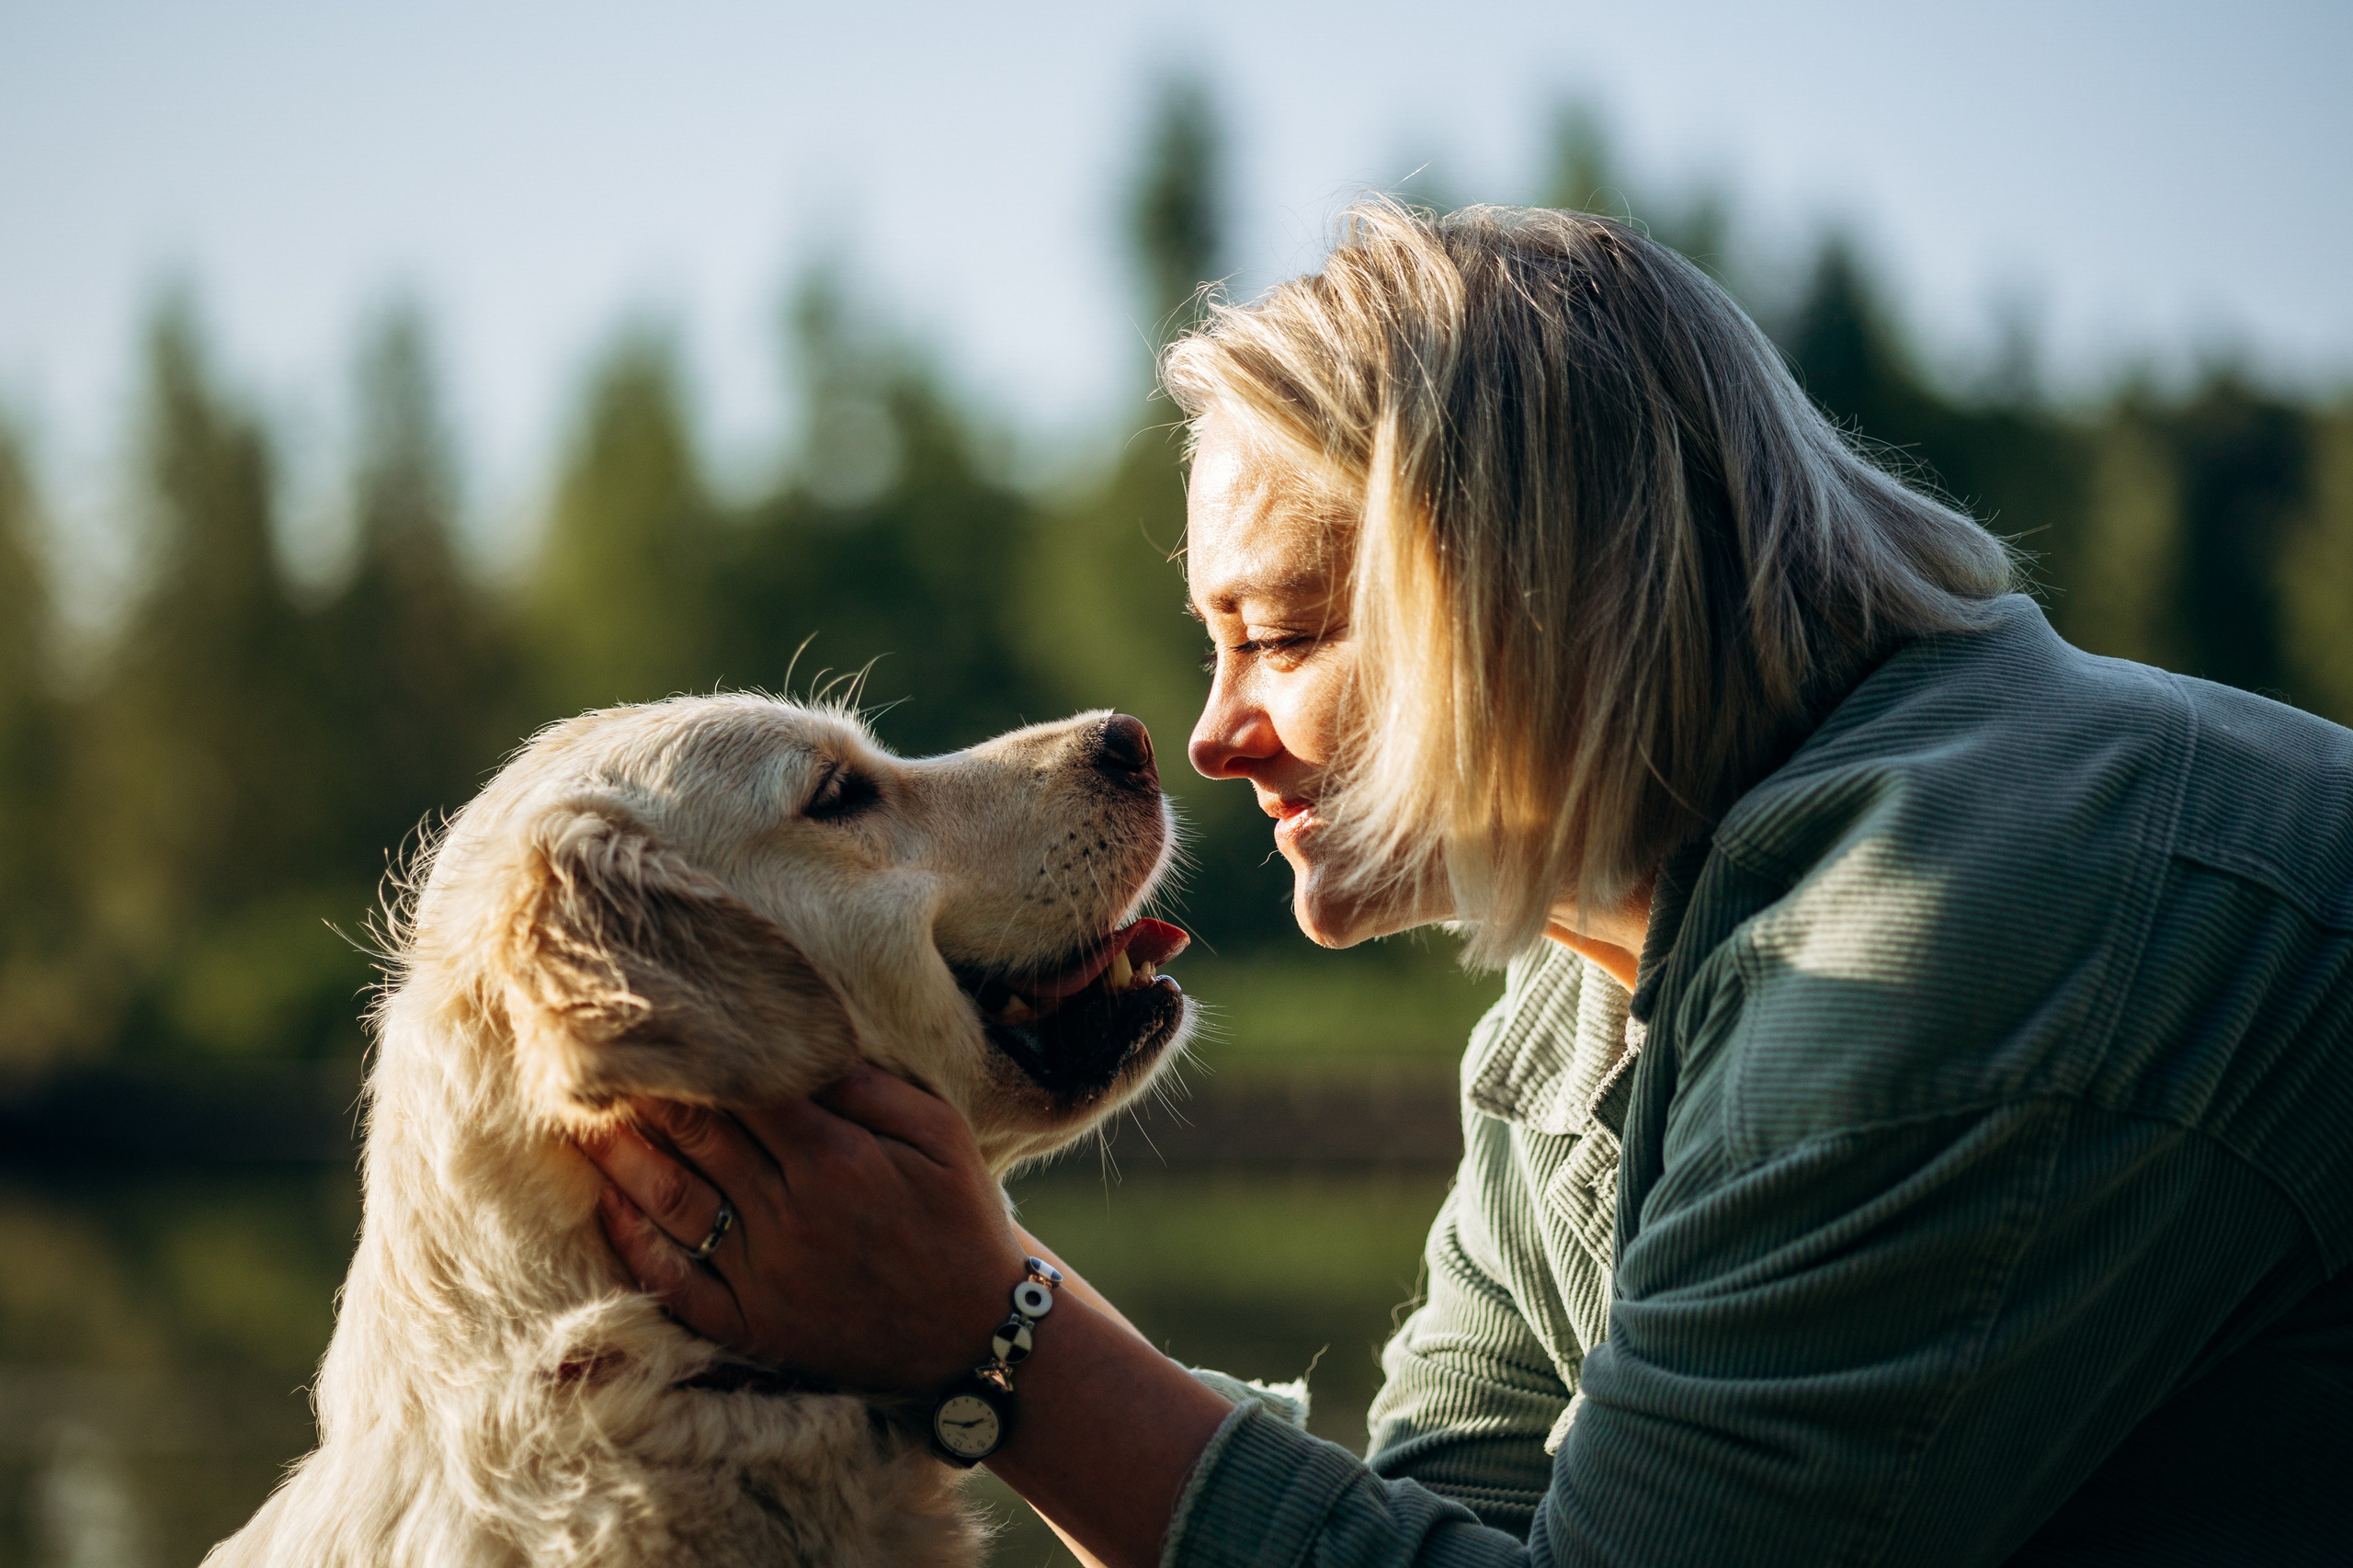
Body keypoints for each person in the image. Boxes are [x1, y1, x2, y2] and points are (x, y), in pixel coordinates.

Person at [580, 203, 2353, 1567]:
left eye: (1280, 629)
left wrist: (989, 1336)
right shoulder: (1581, 1006)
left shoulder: (1930, 948)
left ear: (1530, 589)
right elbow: (1445, 1525)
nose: (1212, 736)